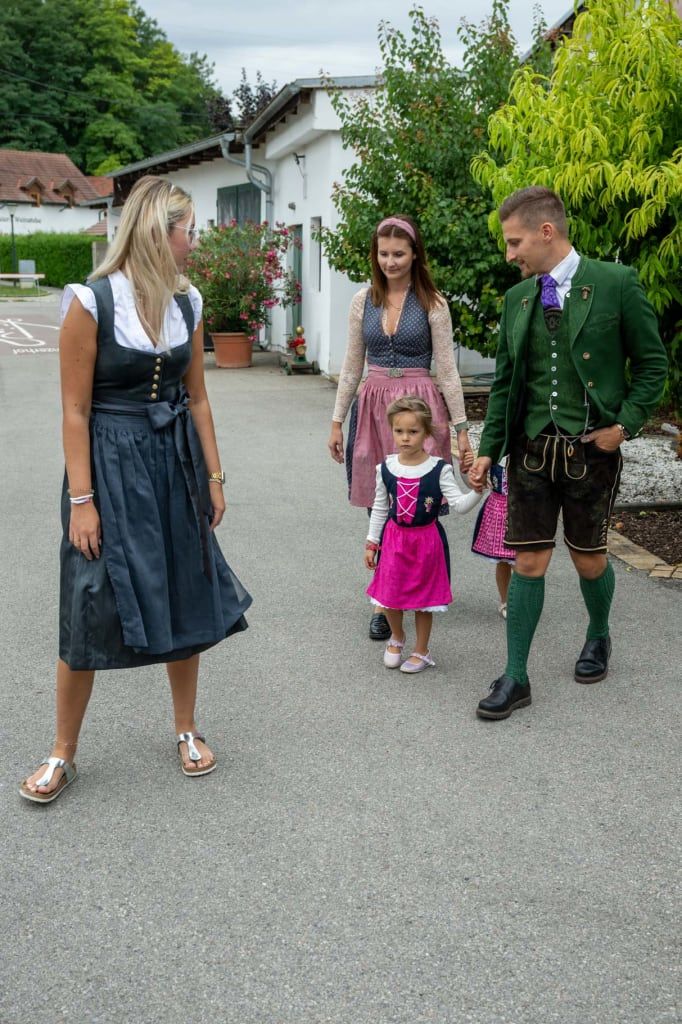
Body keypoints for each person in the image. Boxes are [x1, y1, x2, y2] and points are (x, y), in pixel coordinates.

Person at [20, 176, 252, 803]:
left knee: (184, 589)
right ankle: (62, 751)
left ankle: (186, 729)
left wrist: (214, 476)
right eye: (188, 232)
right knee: (88, 601)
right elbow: (74, 411)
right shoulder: (91, 301)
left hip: (173, 462)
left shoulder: (187, 302)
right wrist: (82, 502)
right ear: (158, 232)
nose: (194, 243)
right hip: (106, 467)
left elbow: (197, 397)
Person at [468, 186, 667, 720]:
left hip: (591, 452)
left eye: (515, 242)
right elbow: (505, 383)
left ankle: (598, 634)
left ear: (546, 231)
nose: (509, 254)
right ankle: (515, 675)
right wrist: (488, 450)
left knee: (588, 558)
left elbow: (653, 366)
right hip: (531, 452)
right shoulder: (517, 298)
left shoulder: (616, 283)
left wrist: (623, 426)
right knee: (528, 560)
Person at [328, 214, 473, 642]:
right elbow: (351, 365)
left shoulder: (433, 303)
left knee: (420, 502)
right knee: (381, 499)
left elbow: (447, 370)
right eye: (383, 254)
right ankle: (384, 600)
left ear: (415, 255)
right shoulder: (363, 301)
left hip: (420, 406)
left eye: (399, 254)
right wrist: (336, 421)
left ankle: (421, 588)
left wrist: (462, 428)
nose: (390, 261)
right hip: (373, 406)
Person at [365, 396, 482, 673]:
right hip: (394, 540)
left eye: (413, 431)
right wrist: (372, 542)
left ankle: (422, 650)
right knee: (389, 594)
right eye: (399, 431)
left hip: (426, 542)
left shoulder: (439, 469)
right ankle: (397, 636)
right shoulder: (386, 469)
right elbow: (380, 507)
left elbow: (459, 505)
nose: (405, 438)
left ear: (426, 432)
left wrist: (477, 491)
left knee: (423, 601)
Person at [470, 459, 516, 618]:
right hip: (498, 509)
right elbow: (473, 478)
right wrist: (477, 476)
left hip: (524, 510)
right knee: (502, 560)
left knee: (522, 561)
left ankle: (521, 600)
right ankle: (505, 600)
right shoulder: (494, 455)